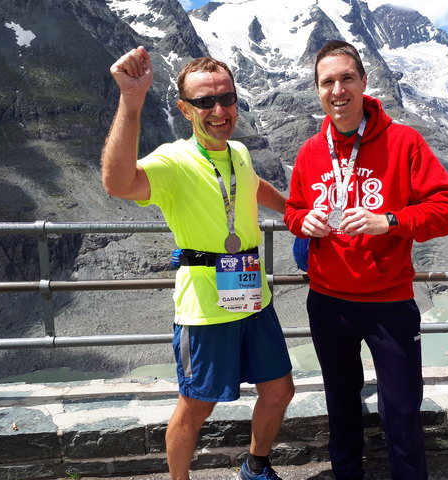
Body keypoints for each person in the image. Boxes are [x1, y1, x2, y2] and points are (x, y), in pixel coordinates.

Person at [101, 46, 294, 480]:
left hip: (253, 299)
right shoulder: (174, 160)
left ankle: (255, 464)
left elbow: (251, 183)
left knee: (280, 390)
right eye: (205, 102)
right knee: (197, 405)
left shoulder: (239, 152)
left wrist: (292, 211)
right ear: (185, 108)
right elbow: (117, 183)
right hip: (204, 310)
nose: (219, 110)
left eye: (226, 98)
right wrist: (131, 101)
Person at [284, 40, 448, 480]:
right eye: (328, 82)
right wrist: (301, 221)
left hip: (389, 304)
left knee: (402, 411)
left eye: (347, 78)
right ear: (318, 91)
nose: (338, 89)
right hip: (328, 304)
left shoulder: (404, 141)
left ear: (364, 82)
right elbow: (293, 209)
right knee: (341, 406)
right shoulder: (311, 151)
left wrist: (390, 220)